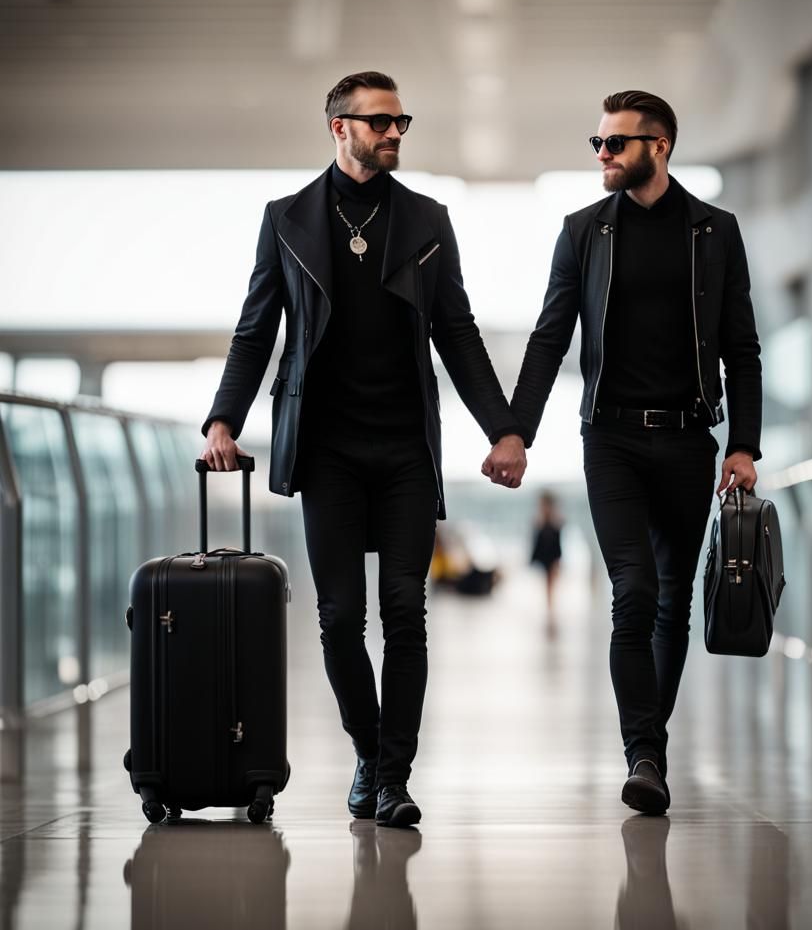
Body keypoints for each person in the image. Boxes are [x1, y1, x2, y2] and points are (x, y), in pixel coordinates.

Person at [202, 71, 526, 828]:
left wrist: (502, 427)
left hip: (407, 446)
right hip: (328, 451)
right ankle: (370, 753)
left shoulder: (427, 220)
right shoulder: (287, 220)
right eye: (380, 122)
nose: (393, 134)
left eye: (400, 122)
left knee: (405, 610)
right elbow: (256, 332)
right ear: (338, 128)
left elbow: (458, 333)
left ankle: (395, 777)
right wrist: (224, 418)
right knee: (341, 617)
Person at [486, 89, 762, 816]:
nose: (602, 155)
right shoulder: (584, 233)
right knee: (634, 591)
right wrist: (517, 429)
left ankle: (651, 746)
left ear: (660, 145)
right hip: (609, 437)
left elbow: (742, 348)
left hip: (687, 440)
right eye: (598, 143)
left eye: (616, 143)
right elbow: (550, 338)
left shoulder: (714, 232)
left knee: (674, 602)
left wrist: (743, 444)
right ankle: (642, 752)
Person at [529, 490, 563, 618]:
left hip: (553, 555)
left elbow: (558, 540)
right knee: (547, 581)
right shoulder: (540, 520)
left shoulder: (555, 519)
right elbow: (536, 540)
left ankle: (550, 605)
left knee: (551, 581)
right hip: (544, 555)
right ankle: (549, 605)